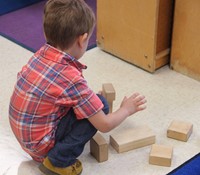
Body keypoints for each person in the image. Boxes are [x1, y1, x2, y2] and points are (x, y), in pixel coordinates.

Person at [8, 0, 147, 175]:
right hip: (40, 148)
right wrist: (126, 110)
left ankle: (55, 152)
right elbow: (104, 125)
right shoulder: (71, 79)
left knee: (92, 103)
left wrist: (88, 101)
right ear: (82, 40)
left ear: (45, 32)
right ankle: (58, 161)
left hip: (24, 137)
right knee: (102, 105)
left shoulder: (40, 54)